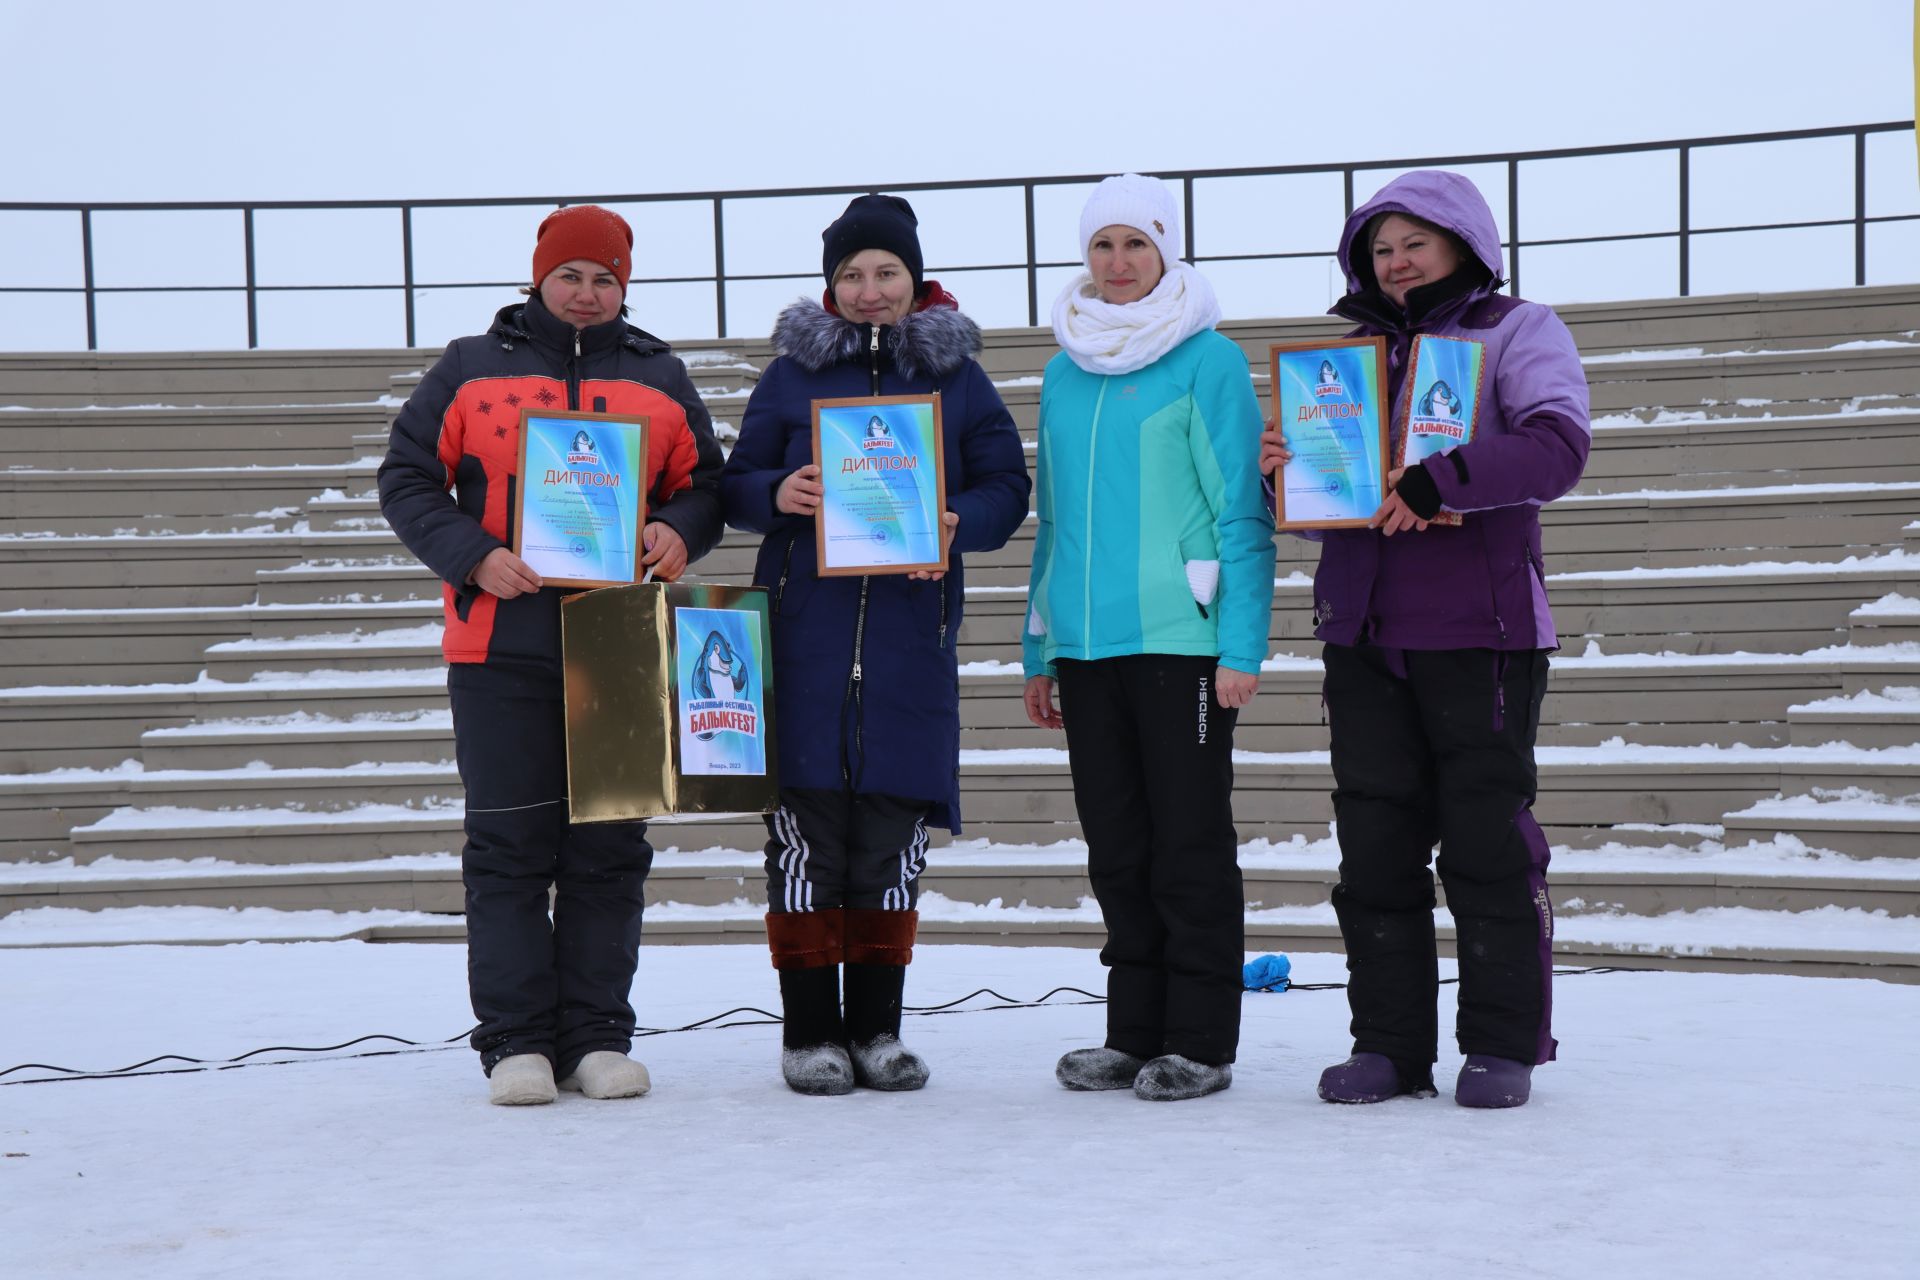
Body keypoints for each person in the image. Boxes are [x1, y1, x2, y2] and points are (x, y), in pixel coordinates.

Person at [379, 205, 725, 1106]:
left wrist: (676, 529)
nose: (586, 293)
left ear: (626, 287)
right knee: (509, 848)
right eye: (570, 275)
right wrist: (471, 554)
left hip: (618, 640)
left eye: (605, 278)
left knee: (610, 849)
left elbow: (707, 487)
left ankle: (598, 1039)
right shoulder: (471, 367)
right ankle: (516, 1043)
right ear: (539, 277)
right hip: (499, 641)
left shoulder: (659, 375)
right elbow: (407, 475)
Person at [1262, 170, 1590, 1108]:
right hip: (1364, 636)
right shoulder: (1348, 359)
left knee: (1486, 846)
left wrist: (1441, 478)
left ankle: (1502, 1045)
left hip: (1480, 633)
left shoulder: (1517, 330)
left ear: (1464, 245)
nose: (1396, 262)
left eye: (1415, 243)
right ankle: (1390, 1047)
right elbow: (1333, 513)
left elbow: (1557, 446)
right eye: (1380, 248)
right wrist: (1283, 476)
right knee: (1374, 854)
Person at [720, 195, 1030, 1095]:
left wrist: (952, 522)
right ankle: (810, 1033)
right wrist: (782, 492)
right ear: (829, 286)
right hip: (804, 645)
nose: (868, 290)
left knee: (889, 845)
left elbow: (1008, 487)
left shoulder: (959, 380)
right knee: (805, 842)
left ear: (914, 280)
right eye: (851, 275)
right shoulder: (789, 376)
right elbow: (735, 484)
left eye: (885, 272)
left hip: (907, 648)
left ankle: (879, 1032)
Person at [1022, 174, 1275, 1102]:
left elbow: (1242, 514)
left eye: (1136, 245)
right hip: (1087, 648)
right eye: (1102, 246)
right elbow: (1054, 524)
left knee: (1189, 844)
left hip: (1183, 641)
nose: (1118, 264)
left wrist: (1241, 645)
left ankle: (1201, 1039)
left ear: (1167, 252)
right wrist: (1039, 648)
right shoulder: (1062, 367)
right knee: (1118, 845)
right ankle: (1133, 1033)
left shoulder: (1206, 358)